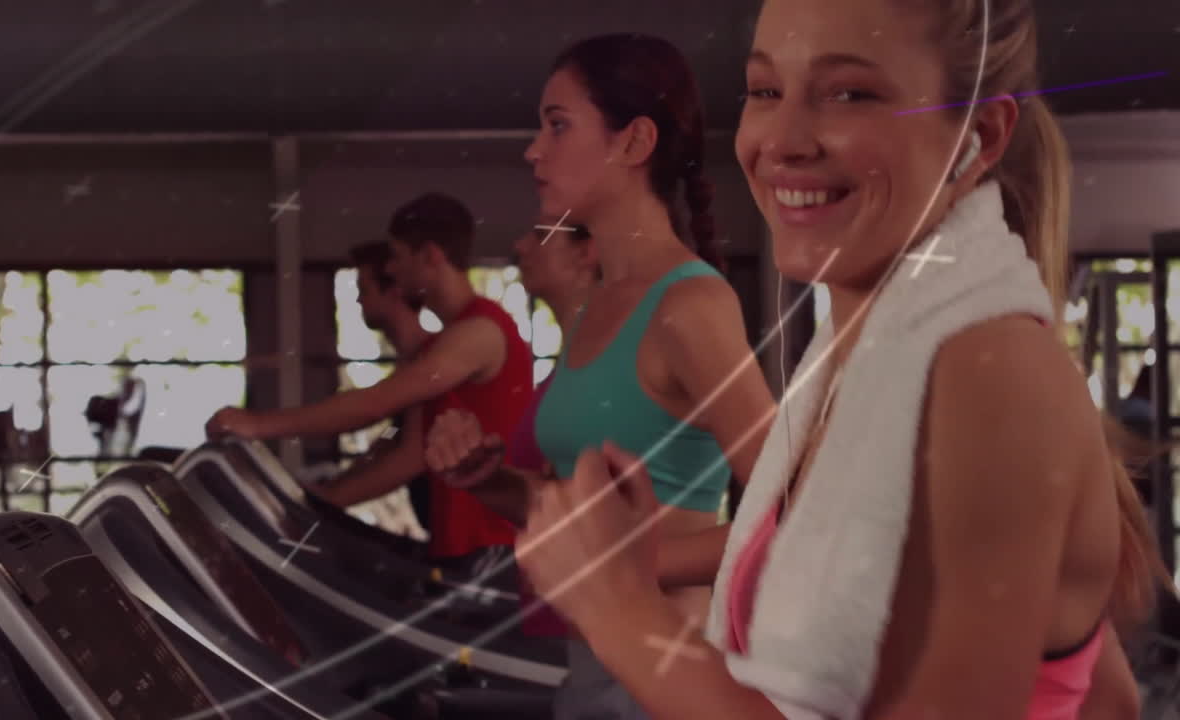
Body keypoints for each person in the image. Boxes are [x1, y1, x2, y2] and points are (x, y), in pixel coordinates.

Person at [515, 2, 1167, 719]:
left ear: (977, 137)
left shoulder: (992, 369)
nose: (783, 140)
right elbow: (1107, 698)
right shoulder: (861, 366)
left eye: (850, 93)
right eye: (765, 91)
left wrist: (619, 608)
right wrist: (632, 568)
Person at [476, 33, 777, 719]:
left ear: (635, 142)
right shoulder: (595, 309)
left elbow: (797, 521)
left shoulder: (688, 308)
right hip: (594, 669)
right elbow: (583, 519)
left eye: (558, 126)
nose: (534, 150)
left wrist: (624, 572)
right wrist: (486, 481)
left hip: (670, 669)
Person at [207, 192, 534, 559]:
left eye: (397, 256)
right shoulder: (449, 338)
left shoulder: (480, 332)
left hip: (493, 548)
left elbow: (377, 405)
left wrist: (258, 425)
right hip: (462, 546)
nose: (391, 269)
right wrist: (329, 494)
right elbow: (408, 444)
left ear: (430, 256)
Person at [426, 216, 599, 637]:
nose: (520, 246)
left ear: (586, 252)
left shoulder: (609, 371)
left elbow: (612, 530)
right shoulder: (566, 373)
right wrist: (485, 479)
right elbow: (559, 506)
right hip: (558, 632)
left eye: (539, 235)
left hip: (603, 644)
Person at [303, 240, 435, 532]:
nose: (359, 301)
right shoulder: (407, 361)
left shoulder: (428, 358)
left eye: (364, 290)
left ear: (394, 291)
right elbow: (393, 435)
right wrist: (333, 486)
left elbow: (411, 456)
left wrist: (330, 498)